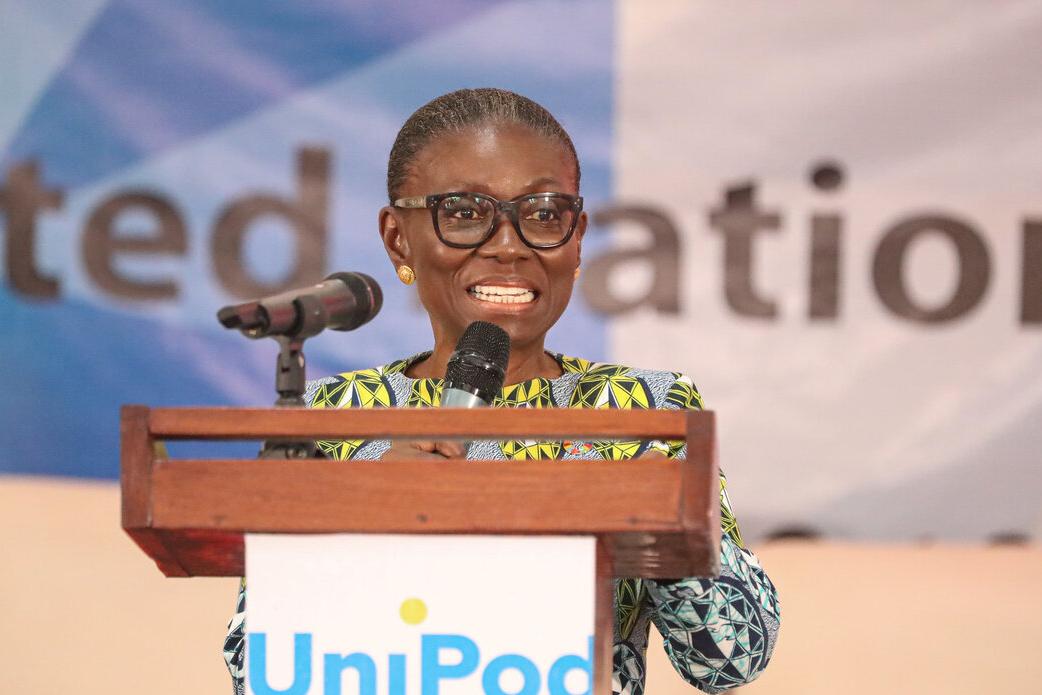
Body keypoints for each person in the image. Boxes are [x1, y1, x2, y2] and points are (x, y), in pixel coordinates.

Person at [224, 88, 780, 695]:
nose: (510, 244)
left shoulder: (645, 413)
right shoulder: (338, 417)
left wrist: (656, 519)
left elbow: (730, 659)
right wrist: (364, 513)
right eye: (464, 212)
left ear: (577, 238)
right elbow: (253, 669)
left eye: (544, 214)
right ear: (397, 239)